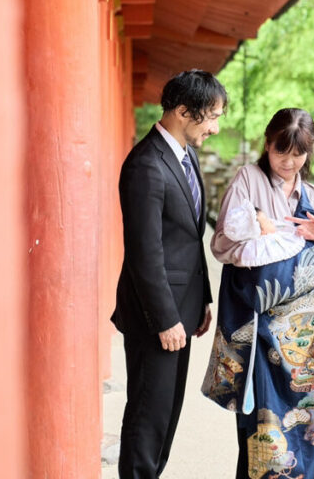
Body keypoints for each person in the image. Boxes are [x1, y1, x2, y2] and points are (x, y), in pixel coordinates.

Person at [203, 108, 314, 479]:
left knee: (311, 428)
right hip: (260, 333)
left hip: (308, 344)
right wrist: (258, 227)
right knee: (263, 429)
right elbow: (222, 245)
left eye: (298, 154)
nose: (289, 161)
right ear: (267, 144)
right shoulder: (248, 181)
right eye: (281, 151)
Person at [112, 69, 227, 479]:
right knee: (148, 417)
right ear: (183, 111)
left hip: (183, 310)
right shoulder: (146, 165)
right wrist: (165, 319)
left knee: (166, 417)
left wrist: (203, 299)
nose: (215, 128)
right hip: (155, 318)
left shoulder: (185, 155)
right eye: (211, 117)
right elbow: (145, 253)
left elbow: (189, 239)